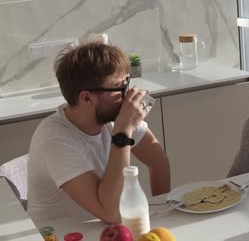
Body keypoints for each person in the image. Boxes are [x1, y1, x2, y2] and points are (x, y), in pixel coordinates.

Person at [27, 41, 170, 225]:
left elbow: (158, 162)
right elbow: (110, 213)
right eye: (119, 88)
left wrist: (162, 211)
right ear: (87, 97)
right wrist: (123, 133)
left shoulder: (113, 118)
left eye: (128, 83)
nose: (128, 96)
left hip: (104, 231)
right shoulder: (55, 139)